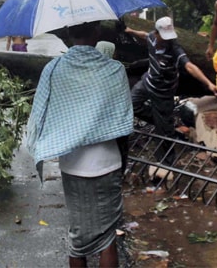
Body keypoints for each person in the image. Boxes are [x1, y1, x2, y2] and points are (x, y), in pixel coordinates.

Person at [25, 21, 132, 267]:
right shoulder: (114, 69)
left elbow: (43, 113)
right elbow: (124, 122)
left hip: (72, 165)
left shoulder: (54, 70)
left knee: (78, 235)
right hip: (107, 162)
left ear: (69, 34)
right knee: (107, 238)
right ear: (96, 33)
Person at [125, 16, 217, 164]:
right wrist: (130, 31)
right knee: (131, 105)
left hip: (164, 92)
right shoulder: (152, 37)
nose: (167, 39)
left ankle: (166, 164)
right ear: (156, 33)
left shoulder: (175, 48)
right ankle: (162, 122)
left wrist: (208, 83)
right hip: (148, 81)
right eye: (164, 36)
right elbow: (144, 34)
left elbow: (189, 66)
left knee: (164, 134)